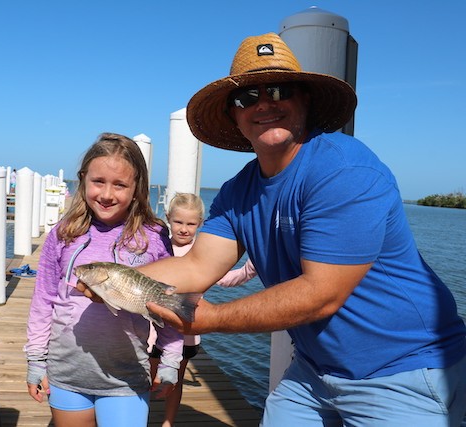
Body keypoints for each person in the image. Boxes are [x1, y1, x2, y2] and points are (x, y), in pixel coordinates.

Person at [79, 33, 466, 426]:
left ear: (305, 100)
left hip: (403, 369)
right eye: (247, 97)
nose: (264, 104)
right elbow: (196, 265)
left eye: (280, 90)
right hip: (313, 371)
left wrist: (213, 318)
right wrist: (112, 279)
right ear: (234, 115)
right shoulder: (237, 192)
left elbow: (321, 294)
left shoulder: (343, 170)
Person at [25, 133, 183, 427]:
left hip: (127, 377)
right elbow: (43, 300)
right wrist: (36, 359)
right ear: (83, 179)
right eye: (98, 181)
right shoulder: (63, 233)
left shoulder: (154, 237)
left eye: (120, 184)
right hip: (66, 373)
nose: (107, 194)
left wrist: (170, 360)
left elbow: (168, 304)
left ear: (137, 189)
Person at [148, 193, 256, 427]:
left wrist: (252, 267)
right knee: (148, 376)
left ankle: (168, 423)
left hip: (187, 330)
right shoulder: (158, 247)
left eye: (191, 224)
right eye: (178, 222)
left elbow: (226, 278)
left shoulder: (202, 256)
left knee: (174, 380)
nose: (184, 229)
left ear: (201, 223)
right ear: (168, 218)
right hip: (153, 331)